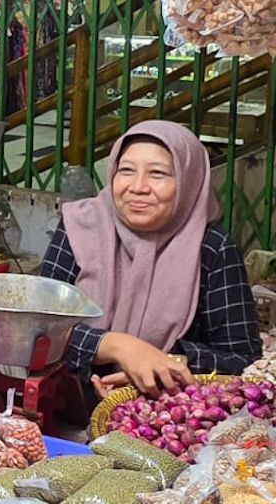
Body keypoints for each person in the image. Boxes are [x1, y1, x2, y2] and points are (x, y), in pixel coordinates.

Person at [41, 120, 261, 401]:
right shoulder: (80, 227)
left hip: (162, 419)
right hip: (64, 409)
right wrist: (117, 346)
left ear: (189, 181)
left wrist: (166, 364)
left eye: (158, 174)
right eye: (126, 171)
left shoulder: (212, 249)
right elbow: (38, 329)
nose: (138, 187)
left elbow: (243, 360)